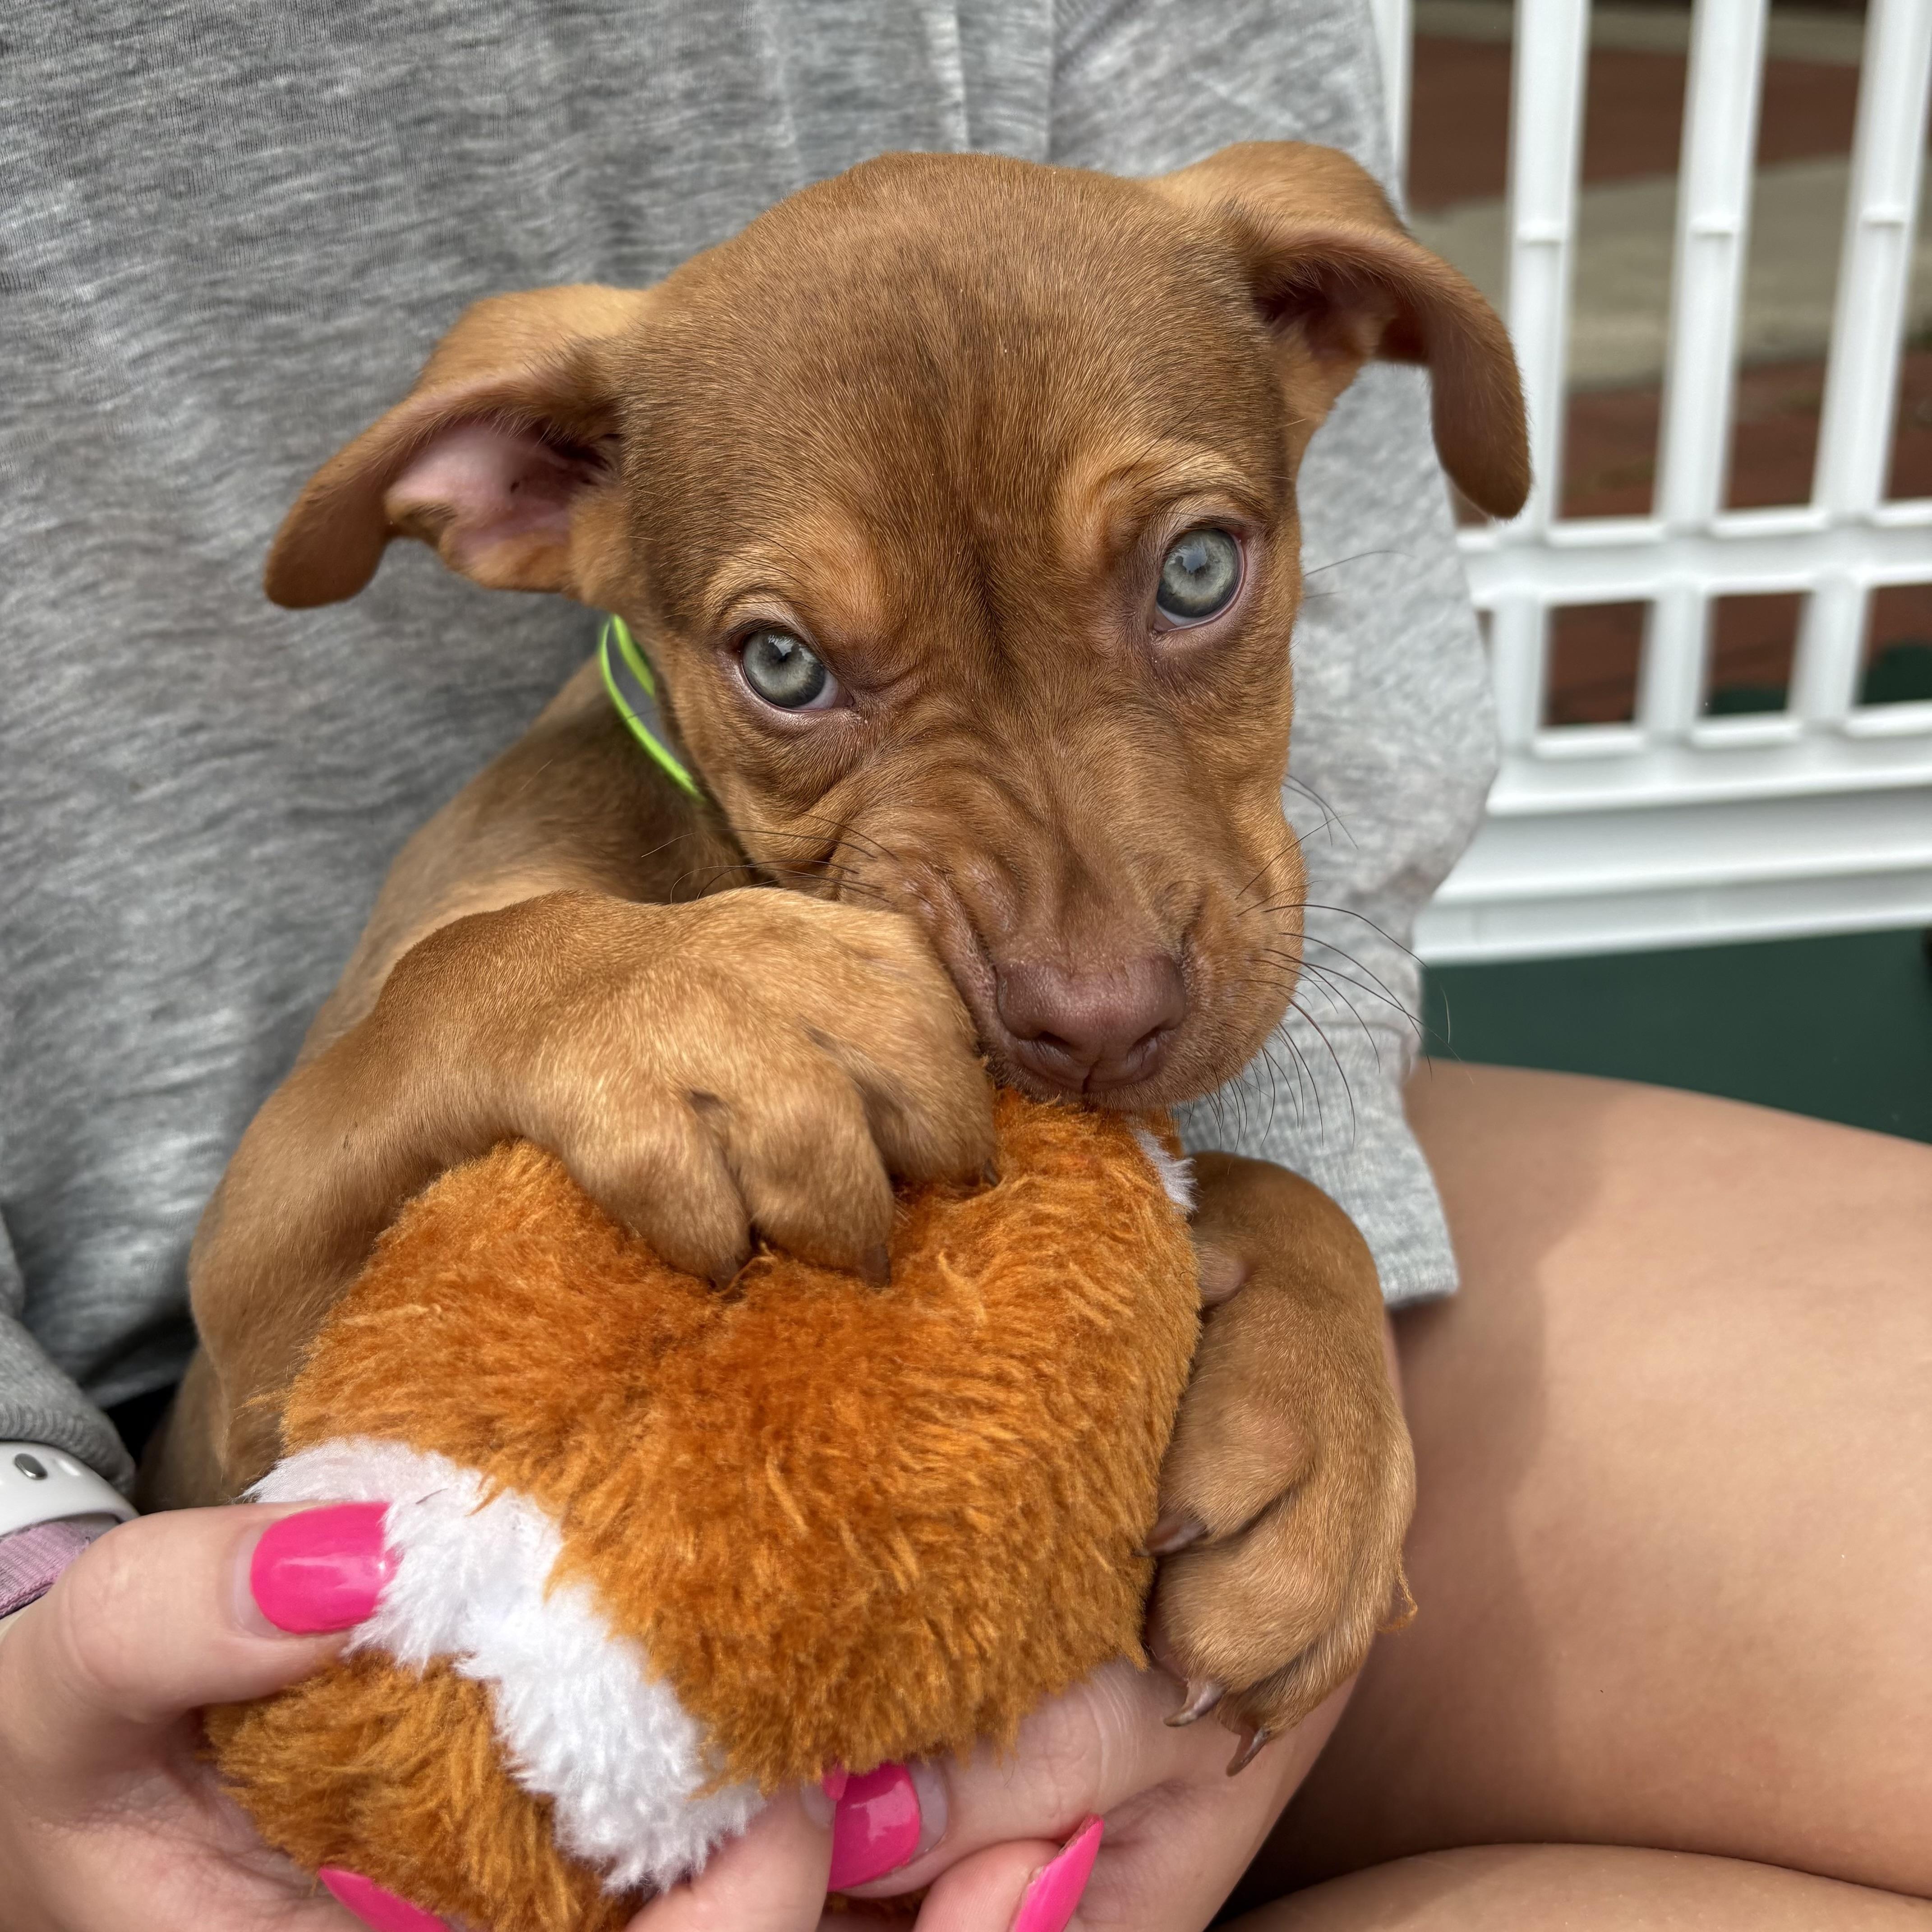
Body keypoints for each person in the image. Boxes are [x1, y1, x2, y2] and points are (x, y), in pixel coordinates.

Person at [2, 3, 1926, 1929]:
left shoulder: (1204, 260)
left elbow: (1134, 1136)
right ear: (538, 491)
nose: (1095, 978)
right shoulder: (530, 887)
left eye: (1188, 576)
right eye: (794, 665)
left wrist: (1304, 1263)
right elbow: (256, 1329)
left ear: (1331, 323)